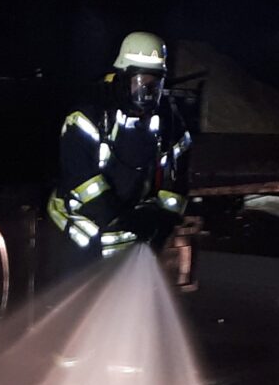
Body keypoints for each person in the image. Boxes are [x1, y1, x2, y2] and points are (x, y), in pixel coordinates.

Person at [53, 31, 197, 253]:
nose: (147, 93)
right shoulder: (89, 115)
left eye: (155, 84)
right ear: (122, 78)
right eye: (140, 82)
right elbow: (81, 179)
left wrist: (163, 221)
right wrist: (122, 218)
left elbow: (176, 181)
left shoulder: (169, 121)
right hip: (78, 233)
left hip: (129, 238)